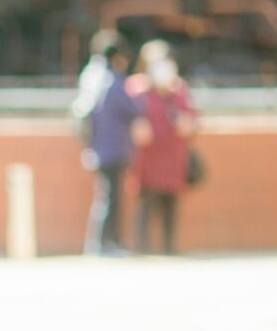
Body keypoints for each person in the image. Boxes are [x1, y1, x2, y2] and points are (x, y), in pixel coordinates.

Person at [126, 39, 199, 254]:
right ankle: (142, 249)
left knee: (171, 204)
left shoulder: (179, 90)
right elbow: (126, 118)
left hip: (173, 157)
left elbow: (193, 118)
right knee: (146, 204)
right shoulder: (137, 89)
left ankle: (169, 248)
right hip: (147, 159)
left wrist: (188, 123)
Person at [74, 31, 141, 257]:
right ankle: (104, 244)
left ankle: (100, 244)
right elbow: (133, 108)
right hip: (113, 148)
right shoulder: (112, 80)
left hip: (98, 147)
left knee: (106, 197)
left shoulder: (91, 77)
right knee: (110, 199)